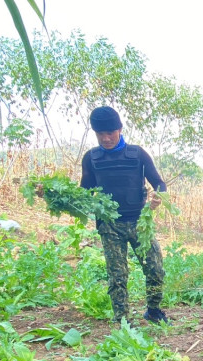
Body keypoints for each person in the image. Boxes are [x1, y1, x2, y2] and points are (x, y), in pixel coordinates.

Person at [80, 106, 167, 324]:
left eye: (110, 132)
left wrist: (158, 196)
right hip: (109, 226)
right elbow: (83, 193)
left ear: (120, 129)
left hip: (139, 223)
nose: (106, 138)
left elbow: (159, 183)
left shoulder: (137, 154)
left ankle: (154, 311)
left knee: (155, 269)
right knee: (117, 276)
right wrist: (53, 194)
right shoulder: (91, 158)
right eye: (100, 134)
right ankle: (122, 320)